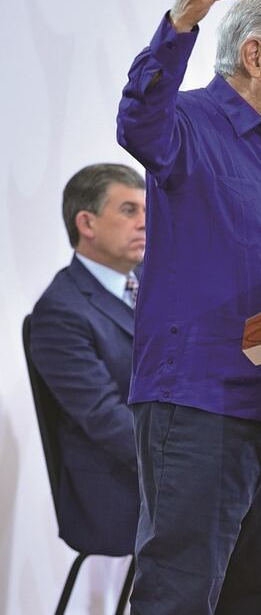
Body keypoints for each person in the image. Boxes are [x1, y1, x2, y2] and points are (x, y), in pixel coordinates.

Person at [116, 0, 261, 612]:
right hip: (200, 403)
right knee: (179, 595)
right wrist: (181, 25)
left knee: (253, 600)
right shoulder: (189, 125)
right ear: (254, 55)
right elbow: (138, 123)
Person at [29, 163, 145, 559]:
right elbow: (105, 419)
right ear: (87, 223)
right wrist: (185, 458)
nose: (146, 223)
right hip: (120, 491)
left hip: (170, 464)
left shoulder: (158, 280)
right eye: (129, 211)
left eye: (149, 211)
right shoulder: (60, 311)